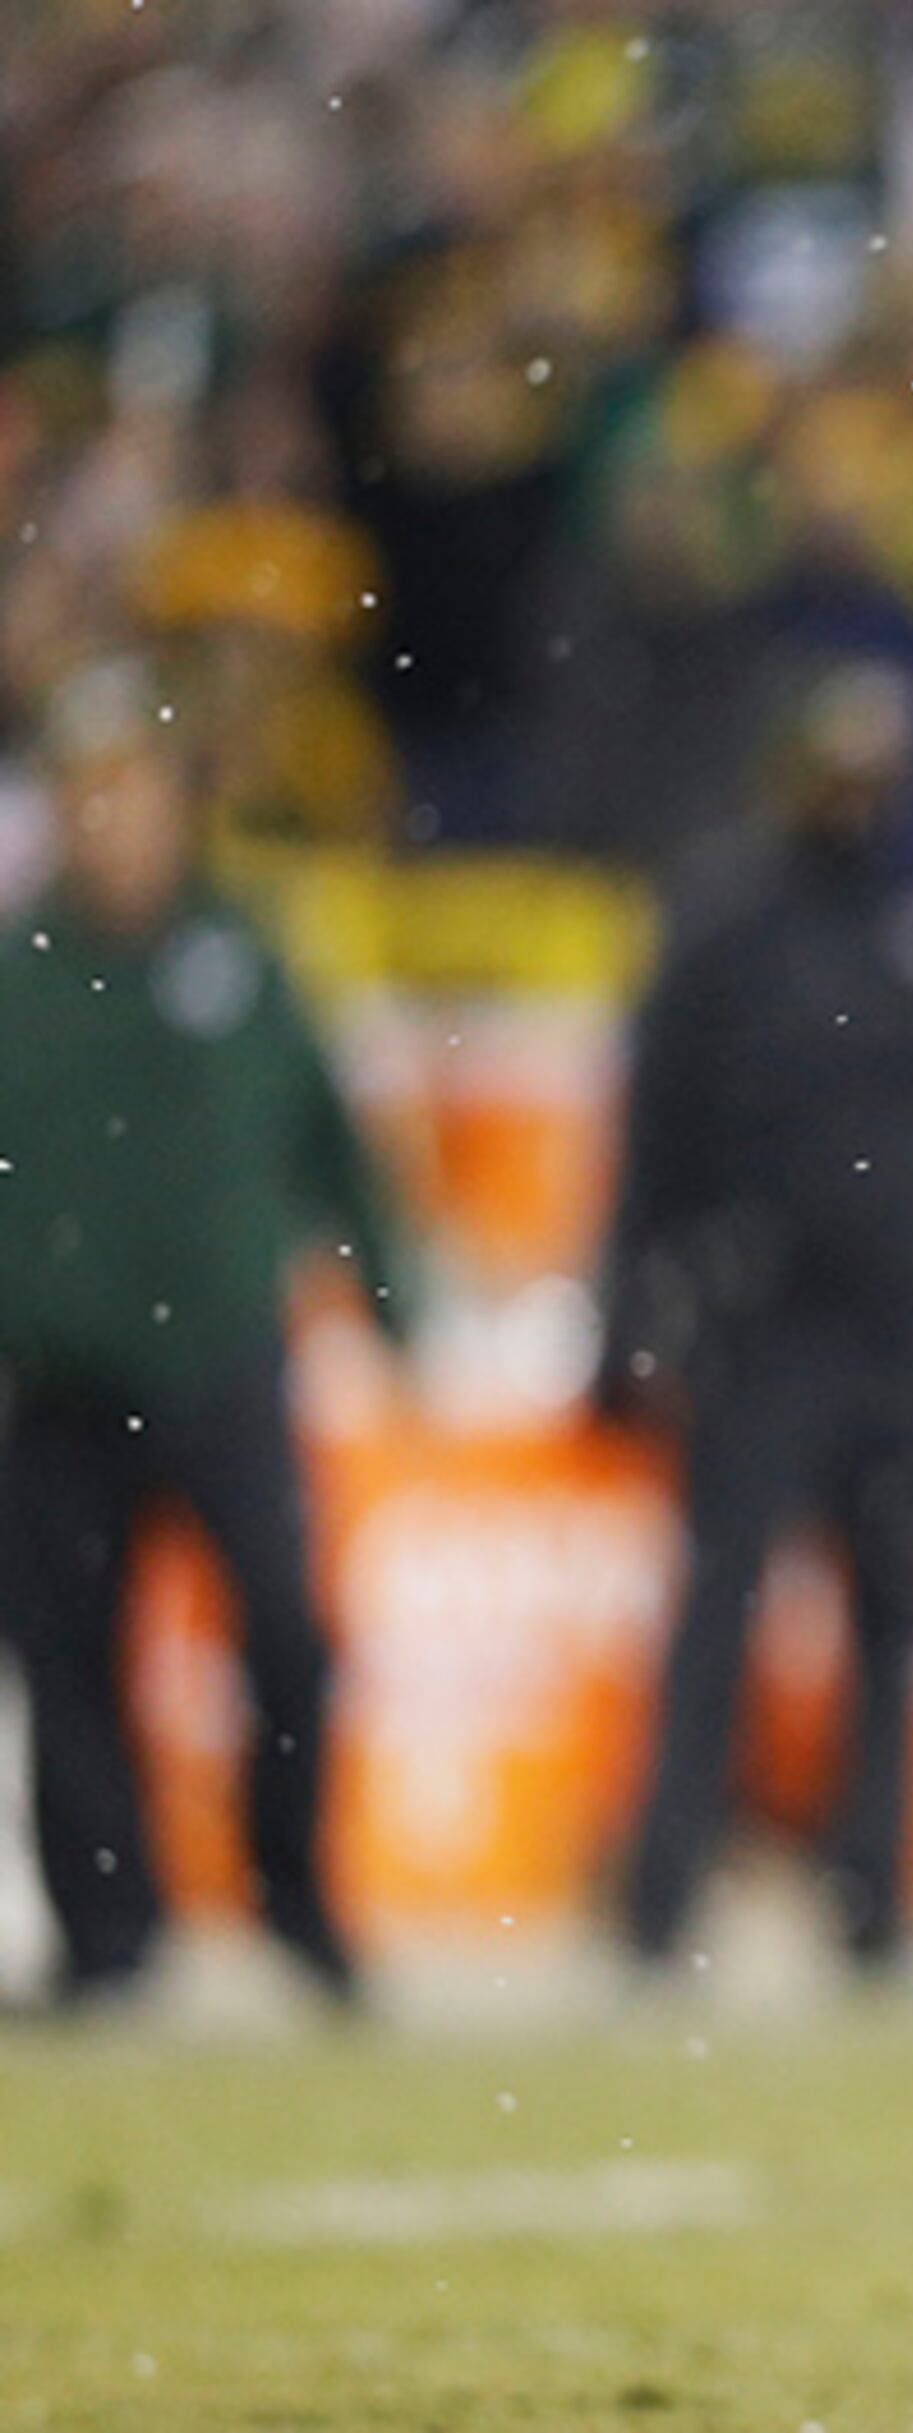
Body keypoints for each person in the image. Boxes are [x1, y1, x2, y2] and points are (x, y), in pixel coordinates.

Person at [593, 659, 913, 1976]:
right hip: (766, 1323)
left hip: (909, 1325)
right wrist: (629, 1313)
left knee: (895, 1623)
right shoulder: (729, 921)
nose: (858, 788)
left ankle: (877, 1895)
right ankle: (663, 1890)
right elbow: (655, 1131)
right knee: (722, 1610)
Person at [0, 659, 406, 2011]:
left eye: (134, 789)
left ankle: (298, 1902)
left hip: (224, 1359)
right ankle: (109, 1933)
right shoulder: (20, 974)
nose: (114, 818)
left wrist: (390, 1290)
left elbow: (327, 1135)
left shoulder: (241, 951)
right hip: (59, 1375)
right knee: (69, 1658)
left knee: (287, 1633)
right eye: (90, 791)